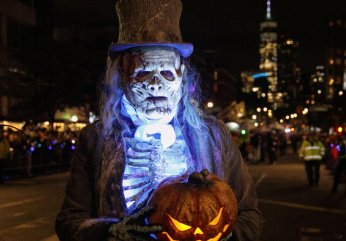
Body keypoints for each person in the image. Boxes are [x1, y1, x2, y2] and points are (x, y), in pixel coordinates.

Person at [55, 1, 262, 241]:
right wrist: (112, 232)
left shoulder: (214, 135)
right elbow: (69, 222)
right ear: (121, 75)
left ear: (181, 76)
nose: (155, 84)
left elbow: (249, 215)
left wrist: (225, 236)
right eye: (142, 73)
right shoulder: (96, 138)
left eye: (165, 73)